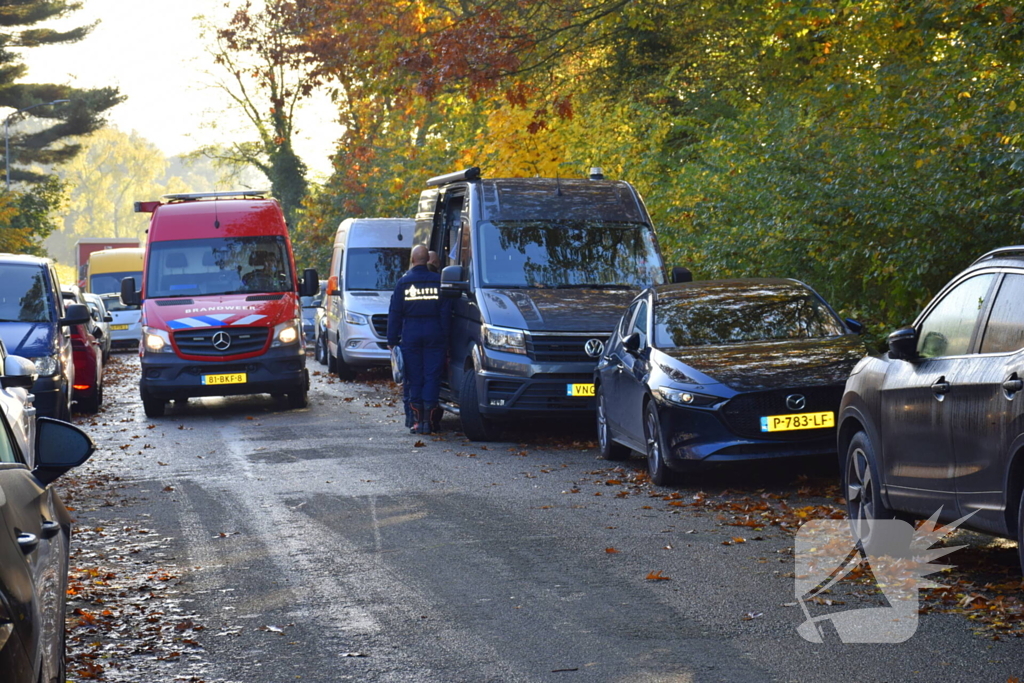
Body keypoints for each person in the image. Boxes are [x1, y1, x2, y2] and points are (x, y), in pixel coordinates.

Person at [388, 245, 451, 435]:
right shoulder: (439, 282)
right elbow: (446, 314)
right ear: (427, 260)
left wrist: (391, 339)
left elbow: (395, 313)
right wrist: (446, 340)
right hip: (435, 335)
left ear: (413, 260)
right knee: (432, 377)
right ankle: (428, 423)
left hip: (411, 335)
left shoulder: (403, 283)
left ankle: (416, 423)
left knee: (414, 378)